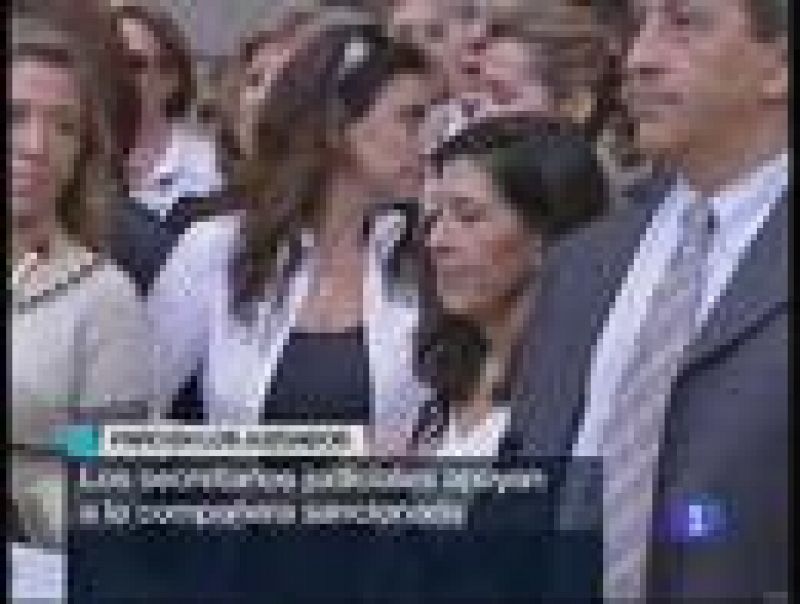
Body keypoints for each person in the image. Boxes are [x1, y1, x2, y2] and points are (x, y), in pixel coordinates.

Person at [508, 0, 789, 599]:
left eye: (684, 24)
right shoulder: (581, 264)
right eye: (640, 26)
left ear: (779, 67)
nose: (639, 58)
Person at [150, 15, 438, 454]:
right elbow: (118, 425)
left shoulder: (423, 257)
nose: (429, 141)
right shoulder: (216, 248)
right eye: (410, 118)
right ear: (337, 124)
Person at [10, 0, 154, 549]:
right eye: (15, 116)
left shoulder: (102, 299)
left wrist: (27, 485)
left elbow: (115, 486)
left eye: (64, 127)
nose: (36, 146)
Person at [409, 117, 609, 457]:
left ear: (546, 235)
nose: (438, 240)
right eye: (435, 217)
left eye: (469, 217)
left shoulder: (588, 384)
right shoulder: (446, 363)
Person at [106, 1, 224, 293]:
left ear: (171, 79)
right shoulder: (71, 161)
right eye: (108, 63)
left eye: (133, 64)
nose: (118, 78)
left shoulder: (213, 174)